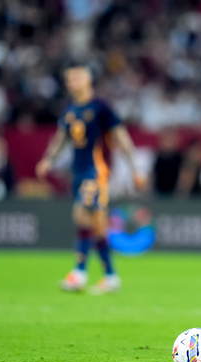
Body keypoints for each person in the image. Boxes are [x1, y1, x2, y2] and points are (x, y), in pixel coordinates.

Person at [36, 63, 145, 293]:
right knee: (96, 226)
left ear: (87, 80)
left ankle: (79, 272)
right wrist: (48, 159)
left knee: (80, 213)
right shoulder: (70, 109)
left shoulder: (101, 106)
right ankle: (110, 276)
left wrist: (135, 168)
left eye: (77, 78)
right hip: (79, 171)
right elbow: (61, 138)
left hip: (97, 171)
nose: (72, 83)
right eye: (69, 79)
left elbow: (120, 136)